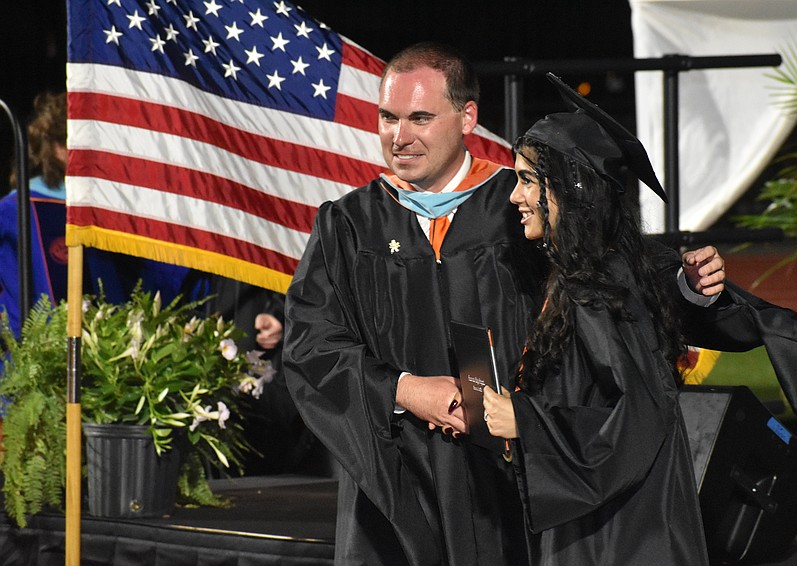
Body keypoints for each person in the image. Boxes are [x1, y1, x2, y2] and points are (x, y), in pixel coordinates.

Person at [282, 43, 733, 566]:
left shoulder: (524, 206)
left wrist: (686, 285)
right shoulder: (348, 225)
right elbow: (310, 346)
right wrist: (404, 390)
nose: (399, 136)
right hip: (395, 476)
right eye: (388, 117)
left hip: (509, 477)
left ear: (467, 117)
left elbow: (614, 285)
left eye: (420, 118)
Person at [482, 77, 709, 564]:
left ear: (571, 187)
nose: (514, 196)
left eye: (527, 180)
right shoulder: (584, 272)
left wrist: (526, 421)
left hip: (619, 534)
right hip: (610, 519)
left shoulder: (597, 287)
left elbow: (642, 412)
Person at [0, 92, 190, 337]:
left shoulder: (114, 211)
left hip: (114, 352)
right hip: (34, 354)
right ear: (58, 147)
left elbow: (154, 282)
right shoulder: (15, 212)